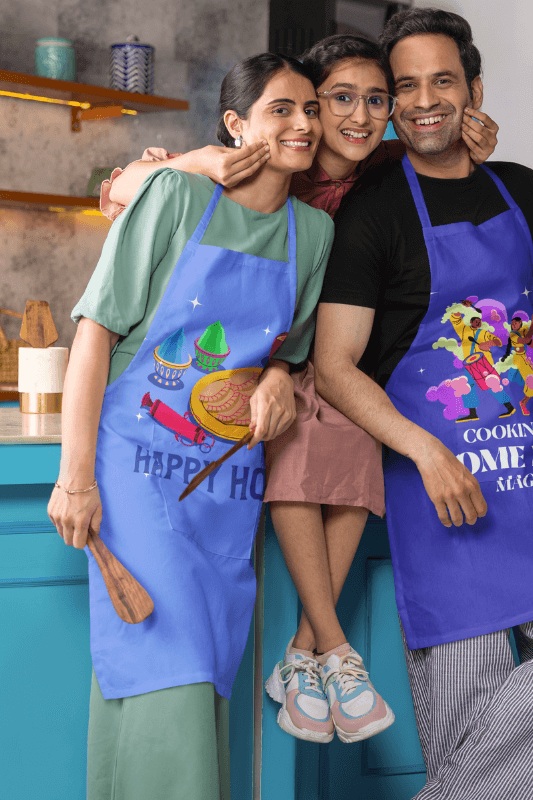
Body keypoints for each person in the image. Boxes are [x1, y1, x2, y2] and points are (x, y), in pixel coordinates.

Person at [103, 34, 498, 746]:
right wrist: (191, 161)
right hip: (260, 362)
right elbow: (129, 188)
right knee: (299, 437)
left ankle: (307, 652)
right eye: (334, 100)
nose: (356, 115)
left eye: (375, 100)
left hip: (329, 354)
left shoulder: (380, 161)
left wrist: (475, 140)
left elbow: (437, 151)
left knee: (357, 442)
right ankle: (329, 643)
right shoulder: (263, 154)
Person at [47, 52, 335, 800]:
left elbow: (290, 353)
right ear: (236, 124)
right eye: (281, 109)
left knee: (201, 677)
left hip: (225, 486)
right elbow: (95, 334)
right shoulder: (175, 195)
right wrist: (75, 478)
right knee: (164, 676)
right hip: (136, 470)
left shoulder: (312, 233)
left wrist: (276, 380)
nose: (303, 123)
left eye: (311, 108)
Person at [315, 8, 533, 799]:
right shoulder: (373, 213)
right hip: (443, 500)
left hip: (529, 479)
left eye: (442, 79)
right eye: (403, 86)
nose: (422, 100)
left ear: (472, 89)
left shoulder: (520, 189)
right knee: (464, 741)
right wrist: (425, 449)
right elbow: (335, 366)